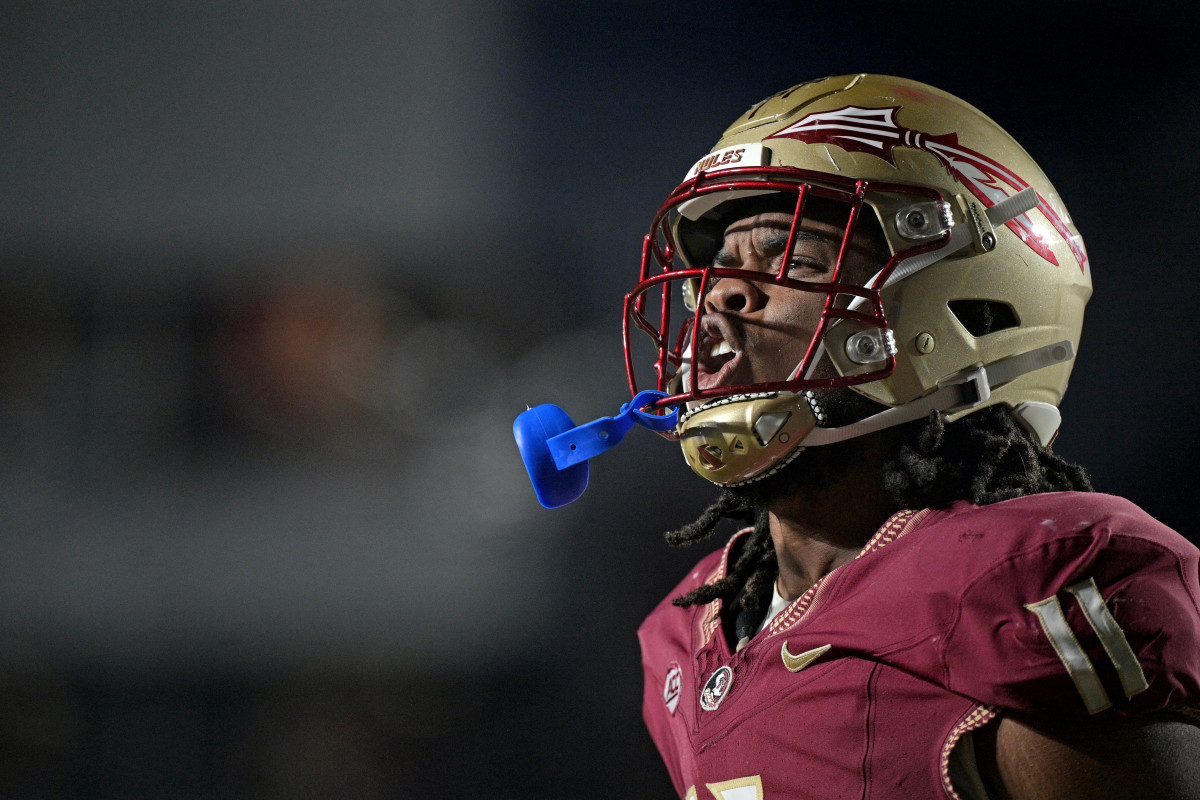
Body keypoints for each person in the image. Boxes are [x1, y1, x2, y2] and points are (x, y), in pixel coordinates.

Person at [623, 75, 1200, 799]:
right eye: (715, 270)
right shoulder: (687, 630)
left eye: (796, 261)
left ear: (972, 309)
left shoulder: (1030, 582)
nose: (720, 296)